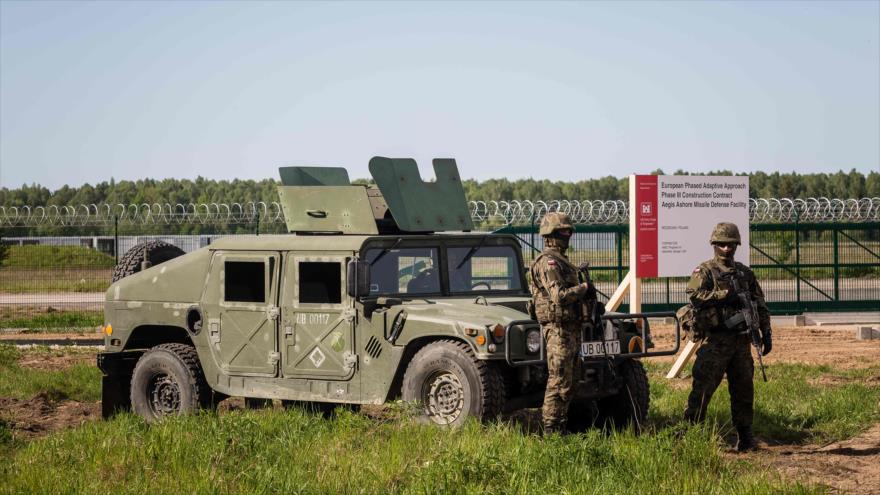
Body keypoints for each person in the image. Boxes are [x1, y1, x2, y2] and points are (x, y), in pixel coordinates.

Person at [683, 222, 772, 451]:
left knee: (743, 392)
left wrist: (766, 331)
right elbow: (694, 296)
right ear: (714, 244)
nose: (726, 248)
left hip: (741, 343)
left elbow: (760, 304)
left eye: (731, 244)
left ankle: (745, 437)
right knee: (702, 391)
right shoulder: (704, 271)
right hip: (716, 342)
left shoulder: (745, 273)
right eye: (722, 244)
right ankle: (691, 436)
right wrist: (724, 295)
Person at [529, 212, 594, 434]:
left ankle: (562, 424)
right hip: (558, 329)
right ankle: (551, 429)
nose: (567, 235)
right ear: (551, 235)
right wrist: (584, 289)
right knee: (558, 380)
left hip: (571, 328)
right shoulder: (548, 262)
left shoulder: (563, 262)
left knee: (571, 380)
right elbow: (560, 296)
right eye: (562, 232)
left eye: (569, 231)